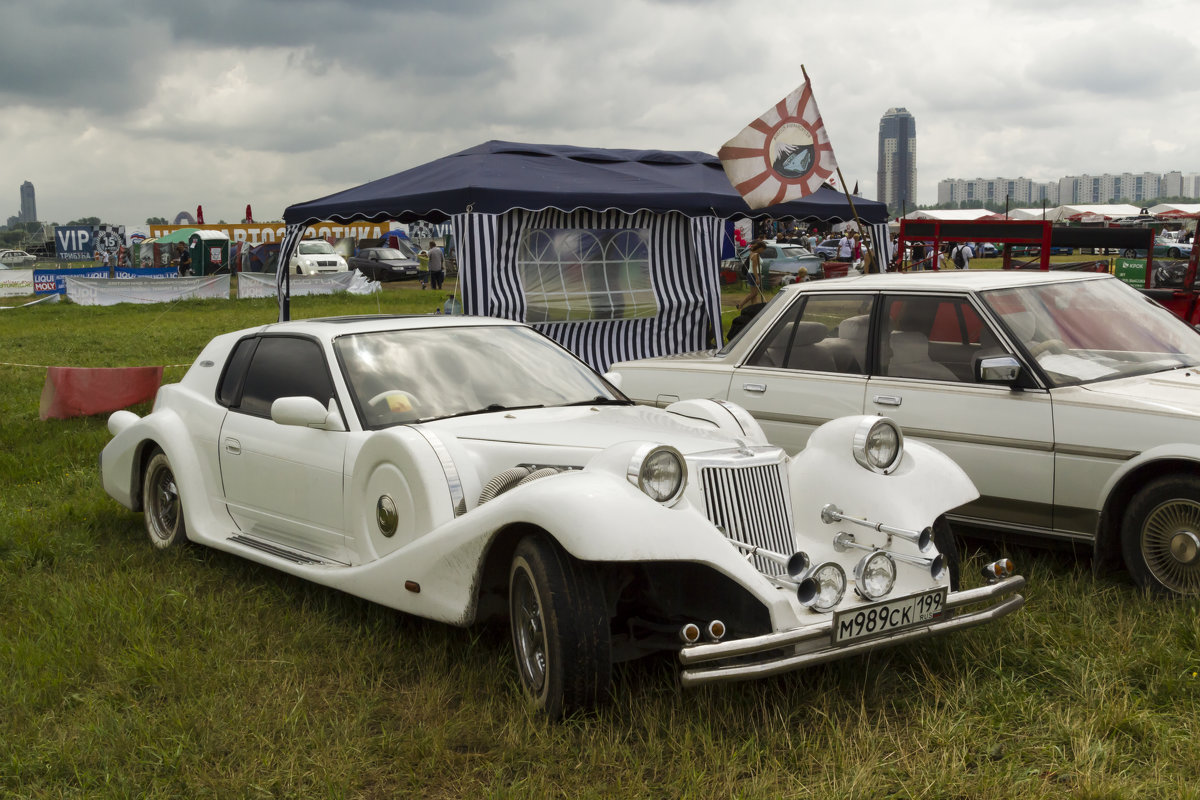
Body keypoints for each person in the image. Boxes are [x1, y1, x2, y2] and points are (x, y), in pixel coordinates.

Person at [737, 241, 767, 310]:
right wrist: (757, 278)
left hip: (751, 274)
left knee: (754, 294)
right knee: (754, 293)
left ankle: (753, 307)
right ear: (760, 248)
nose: (763, 251)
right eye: (763, 249)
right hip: (753, 274)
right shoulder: (756, 255)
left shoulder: (752, 253)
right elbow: (754, 267)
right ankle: (740, 304)